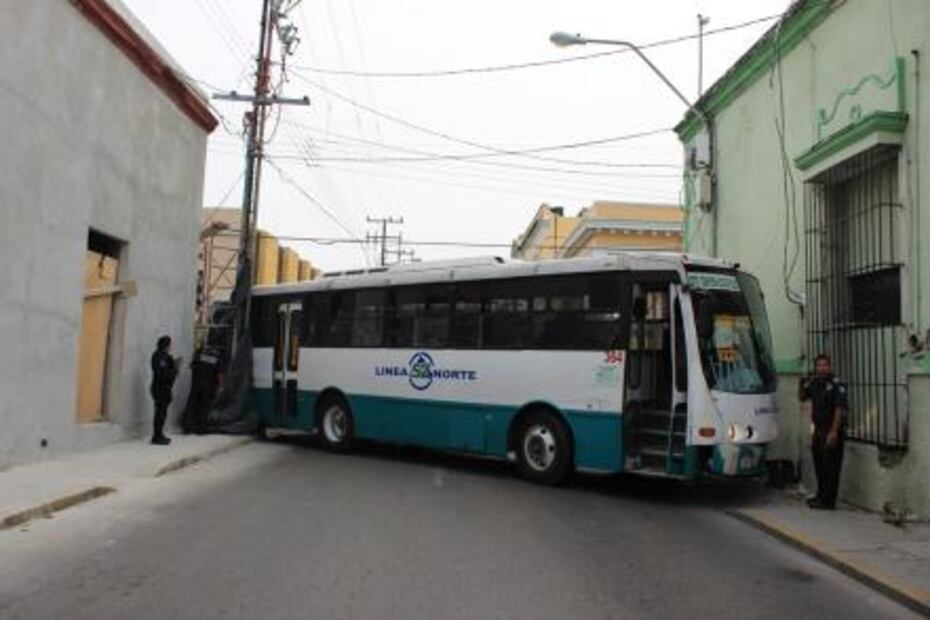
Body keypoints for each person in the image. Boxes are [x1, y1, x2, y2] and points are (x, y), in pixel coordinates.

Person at [798, 354, 847, 509]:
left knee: (831, 467)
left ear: (830, 366)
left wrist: (834, 432)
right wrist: (802, 382)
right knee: (819, 464)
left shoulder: (836, 384)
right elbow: (802, 397)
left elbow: (840, 408)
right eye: (819, 365)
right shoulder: (814, 383)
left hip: (831, 429)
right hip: (818, 430)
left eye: (825, 365)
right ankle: (820, 496)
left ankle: (828, 501)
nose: (822, 368)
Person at [150, 335, 180, 445]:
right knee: (160, 413)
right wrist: (175, 369)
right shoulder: (159, 357)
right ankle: (156, 436)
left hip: (165, 388)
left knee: (162, 413)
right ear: (166, 346)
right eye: (169, 345)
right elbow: (162, 374)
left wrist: (174, 364)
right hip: (160, 388)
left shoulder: (164, 357)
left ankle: (160, 434)